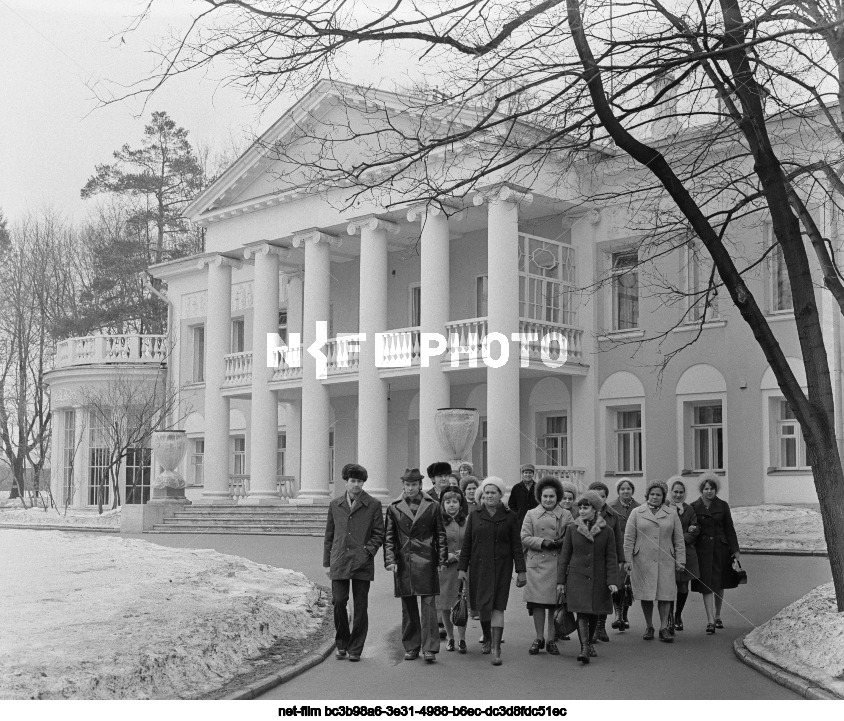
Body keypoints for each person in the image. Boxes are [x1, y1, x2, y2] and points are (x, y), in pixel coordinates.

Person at [458, 476, 526, 666]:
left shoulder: (510, 516)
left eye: (493, 492)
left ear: (500, 495)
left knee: (498, 606)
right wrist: (462, 568)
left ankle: (496, 648)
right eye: (486, 492)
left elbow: (516, 546)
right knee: (483, 606)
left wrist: (521, 571)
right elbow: (467, 544)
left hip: (503, 567)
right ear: (482, 494)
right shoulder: (475, 515)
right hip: (479, 567)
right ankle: (486, 637)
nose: (489, 496)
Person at [384, 467, 449, 662]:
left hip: (427, 558)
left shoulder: (433, 505)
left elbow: (440, 534)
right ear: (403, 485)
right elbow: (389, 537)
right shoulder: (394, 507)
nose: (410, 488)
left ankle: (430, 648)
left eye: (414, 484)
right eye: (407, 484)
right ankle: (412, 646)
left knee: (429, 607)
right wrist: (390, 560)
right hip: (404, 560)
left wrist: (442, 559)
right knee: (408, 606)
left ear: (421, 485)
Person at [323, 463, 385, 662]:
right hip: (340, 560)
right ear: (346, 482)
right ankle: (342, 642)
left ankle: (356, 648)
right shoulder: (335, 504)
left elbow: (379, 533)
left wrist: (368, 551)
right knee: (339, 601)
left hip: (362, 562)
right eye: (353, 481)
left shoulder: (373, 504)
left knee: (360, 606)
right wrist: (327, 562)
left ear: (363, 483)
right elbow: (329, 535)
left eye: (359, 481)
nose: (356, 485)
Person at [558, 490, 619, 665]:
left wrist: (613, 581)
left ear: (596, 509)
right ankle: (584, 647)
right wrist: (561, 581)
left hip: (599, 577)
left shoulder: (607, 531)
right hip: (577, 577)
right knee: (582, 612)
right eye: (581, 507)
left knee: (594, 613)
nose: (582, 511)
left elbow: (611, 557)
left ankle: (589, 642)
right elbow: (565, 556)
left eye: (586, 507)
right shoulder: (572, 529)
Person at [623, 480, 686, 642]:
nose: (655, 497)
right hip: (642, 560)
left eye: (658, 494)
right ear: (647, 495)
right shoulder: (637, 512)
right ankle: (649, 625)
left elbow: (678, 539)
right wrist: (627, 560)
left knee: (665, 594)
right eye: (652, 494)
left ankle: (664, 627)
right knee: (646, 594)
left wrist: (681, 560)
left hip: (665, 560)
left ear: (663, 496)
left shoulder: (671, 513)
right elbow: (629, 538)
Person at [521, 476, 572, 655]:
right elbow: (524, 537)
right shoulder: (531, 514)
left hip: (557, 563)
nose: (548, 500)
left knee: (553, 604)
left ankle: (551, 639)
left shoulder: (566, 514)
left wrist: (561, 542)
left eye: (551, 496)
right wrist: (543, 542)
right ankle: (538, 637)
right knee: (537, 604)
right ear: (539, 497)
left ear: (557, 497)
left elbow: (573, 535)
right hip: (537, 564)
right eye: (545, 497)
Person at [691, 472, 740, 634]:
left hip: (720, 550)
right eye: (706, 488)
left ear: (716, 489)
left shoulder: (723, 505)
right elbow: (691, 528)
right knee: (706, 584)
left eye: (712, 488)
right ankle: (710, 620)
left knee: (719, 583)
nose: (709, 491)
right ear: (701, 490)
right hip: (703, 551)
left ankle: (718, 615)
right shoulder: (694, 506)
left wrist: (735, 550)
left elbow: (729, 529)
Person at [587, 481, 625, 643]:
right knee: (590, 595)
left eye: (602, 496)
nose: (599, 499)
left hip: (605, 561)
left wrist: (621, 560)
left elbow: (617, 540)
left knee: (604, 594)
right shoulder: (582, 512)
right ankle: (592, 628)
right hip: (588, 561)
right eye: (596, 496)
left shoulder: (612, 515)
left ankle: (600, 627)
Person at [437, 486, 469, 653]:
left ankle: (462, 639)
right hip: (444, 568)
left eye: (455, 501)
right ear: (443, 504)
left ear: (460, 504)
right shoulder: (438, 522)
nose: (451, 505)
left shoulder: (467, 521)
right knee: (445, 605)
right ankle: (450, 638)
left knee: (461, 603)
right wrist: (444, 555)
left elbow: (473, 542)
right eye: (448, 502)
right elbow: (433, 543)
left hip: (462, 569)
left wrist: (464, 553)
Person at [667, 476, 700, 633]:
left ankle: (678, 614)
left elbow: (695, 529)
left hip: (685, 552)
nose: (678, 495)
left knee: (683, 586)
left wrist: (681, 539)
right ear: (670, 492)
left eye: (681, 492)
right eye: (675, 492)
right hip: (667, 552)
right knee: (668, 586)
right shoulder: (664, 508)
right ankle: (669, 617)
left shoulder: (689, 509)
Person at [608, 477, 639, 629]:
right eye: (622, 489)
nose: (625, 491)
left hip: (633, 550)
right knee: (617, 582)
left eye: (628, 488)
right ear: (618, 491)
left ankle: (624, 615)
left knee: (628, 584)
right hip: (616, 549)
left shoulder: (639, 507)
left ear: (632, 490)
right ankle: (617, 614)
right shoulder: (611, 507)